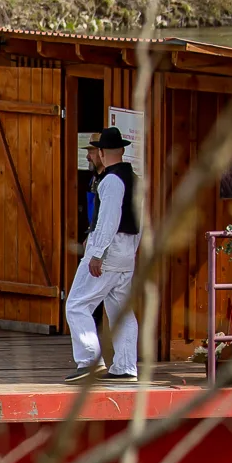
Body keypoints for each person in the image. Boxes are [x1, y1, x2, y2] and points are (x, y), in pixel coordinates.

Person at [66, 125, 140, 379]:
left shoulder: (111, 181)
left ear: (102, 152)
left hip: (108, 251)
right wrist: (132, 251)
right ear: (121, 150)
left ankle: (89, 360)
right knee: (121, 310)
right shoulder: (136, 180)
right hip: (127, 252)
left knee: (76, 304)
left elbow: (109, 219)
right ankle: (125, 366)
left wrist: (97, 253)